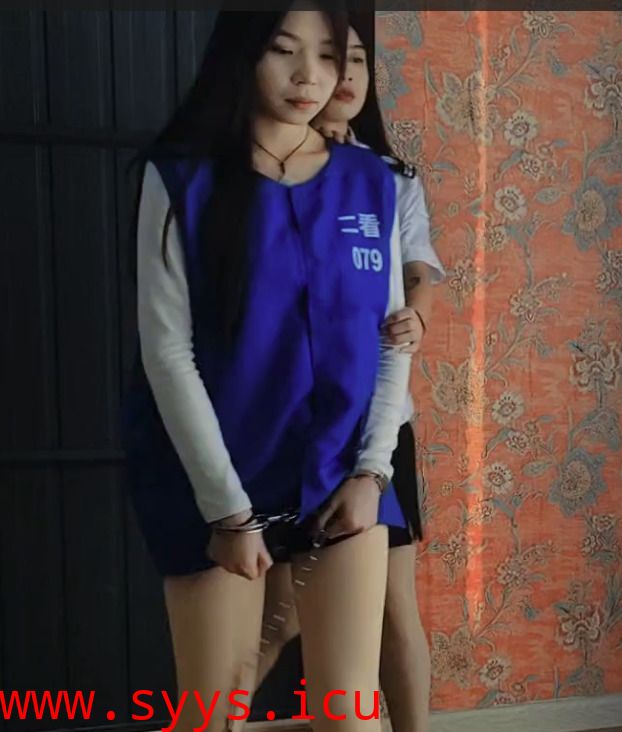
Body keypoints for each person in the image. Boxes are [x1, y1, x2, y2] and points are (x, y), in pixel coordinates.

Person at [120, 5, 414, 732]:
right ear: (243, 55)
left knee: (350, 714)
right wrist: (228, 511)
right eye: (284, 51)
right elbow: (167, 352)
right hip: (216, 482)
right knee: (212, 712)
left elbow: (391, 338)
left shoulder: (370, 182)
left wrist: (372, 473)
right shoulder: (180, 177)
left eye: (329, 55)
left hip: (342, 472)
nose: (310, 76)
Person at [251, 13, 445, 732]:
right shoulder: (259, 168)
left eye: (353, 60)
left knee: (393, 608)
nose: (339, 75)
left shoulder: (390, 178)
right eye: (333, 58)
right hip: (285, 423)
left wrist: (416, 314)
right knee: (277, 612)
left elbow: (418, 276)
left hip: (376, 425)